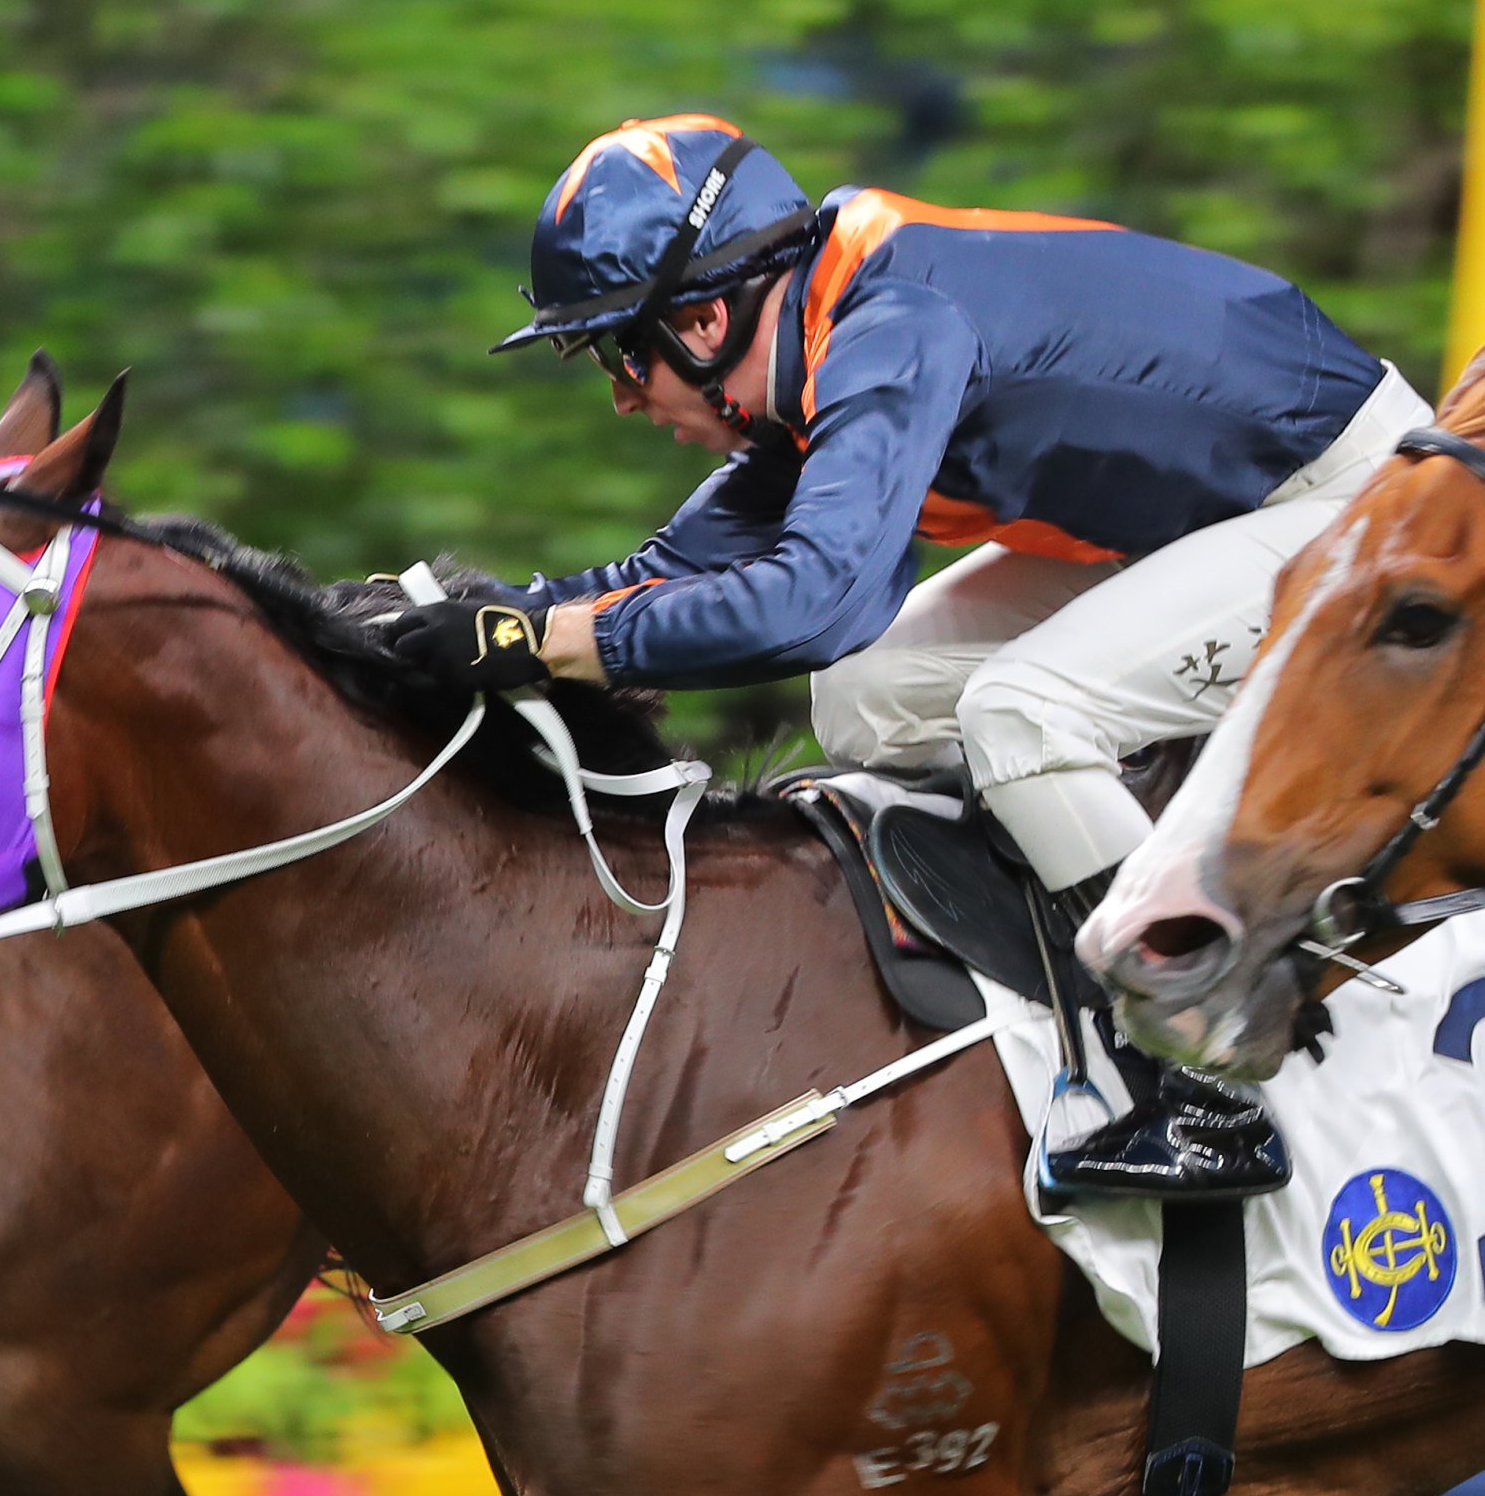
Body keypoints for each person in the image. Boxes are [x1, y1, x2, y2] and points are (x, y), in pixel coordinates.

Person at [387, 113, 1429, 1201]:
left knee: (1021, 713)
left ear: (701, 319)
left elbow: (815, 602)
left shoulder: (891, 324)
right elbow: (673, 572)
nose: (619, 394)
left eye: (617, 350)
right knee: (868, 696)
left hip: (1354, 508)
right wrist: (472, 617)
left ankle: (1210, 1082)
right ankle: (1066, 959)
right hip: (1212, 512)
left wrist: (554, 641)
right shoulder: (822, 323)